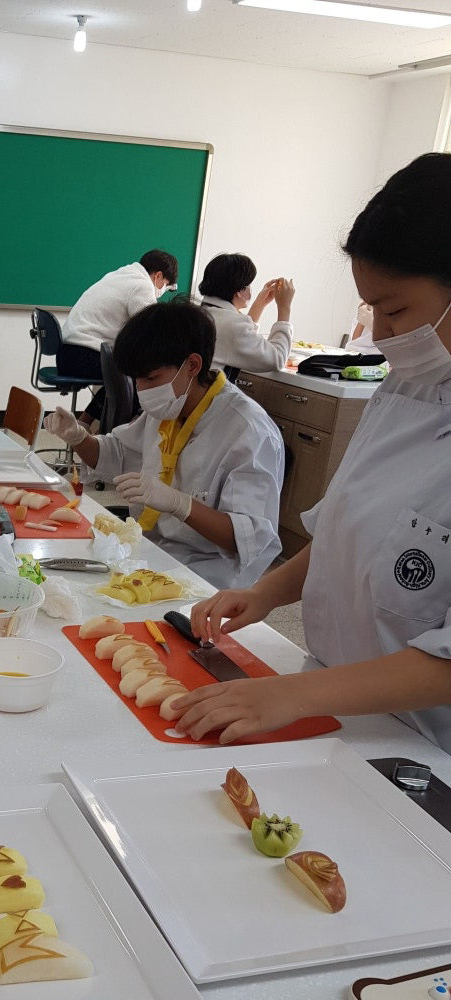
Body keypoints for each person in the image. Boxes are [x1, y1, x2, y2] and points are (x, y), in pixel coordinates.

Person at [172, 153, 451, 749]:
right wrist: (263, 594)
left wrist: (293, 696)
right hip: (332, 700)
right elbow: (342, 535)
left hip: (420, 746)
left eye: (394, 309)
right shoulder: (404, 390)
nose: (380, 334)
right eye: (371, 310)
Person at [46, 300, 283, 589]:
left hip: (207, 578)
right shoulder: (169, 407)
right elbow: (115, 454)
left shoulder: (249, 431)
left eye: (151, 378)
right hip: (149, 553)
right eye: (137, 380)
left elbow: (248, 538)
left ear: (192, 365)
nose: (142, 390)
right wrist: (78, 437)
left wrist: (180, 504)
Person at [58, 249, 179, 426]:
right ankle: (113, 434)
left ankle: (84, 424)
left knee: (125, 370)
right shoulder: (142, 285)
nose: (163, 291)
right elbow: (152, 331)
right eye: (167, 285)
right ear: (158, 276)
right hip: (84, 356)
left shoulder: (119, 275)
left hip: (69, 354)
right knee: (141, 377)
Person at [198, 253, 294, 375]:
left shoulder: (200, 313)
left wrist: (260, 304)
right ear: (239, 290)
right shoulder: (232, 325)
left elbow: (242, 339)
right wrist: (284, 307)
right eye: (249, 285)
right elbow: (277, 359)